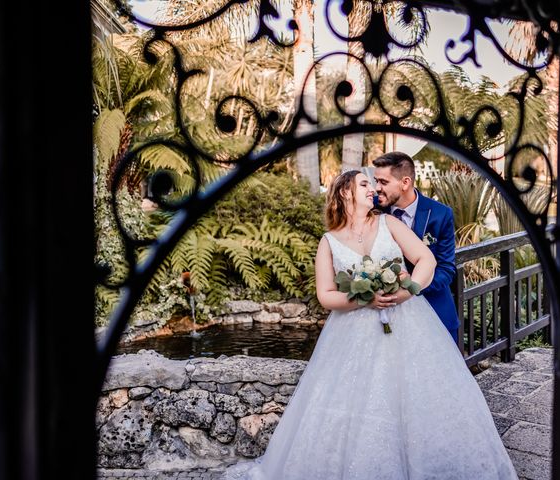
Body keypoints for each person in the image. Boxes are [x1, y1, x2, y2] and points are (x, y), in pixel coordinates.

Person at [222, 170, 518, 480]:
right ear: (345, 193)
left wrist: (406, 292)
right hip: (352, 334)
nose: (373, 189)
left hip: (409, 323)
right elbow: (325, 295)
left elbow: (426, 259)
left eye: (373, 184)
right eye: (365, 184)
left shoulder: (389, 223)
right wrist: (365, 299)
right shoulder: (329, 242)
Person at [373, 151, 460, 343]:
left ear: (405, 183)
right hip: (385, 316)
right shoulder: (371, 209)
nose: (376, 188)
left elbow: (446, 269)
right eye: (375, 181)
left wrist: (412, 286)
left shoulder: (440, 214)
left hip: (434, 309)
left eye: (383, 182)